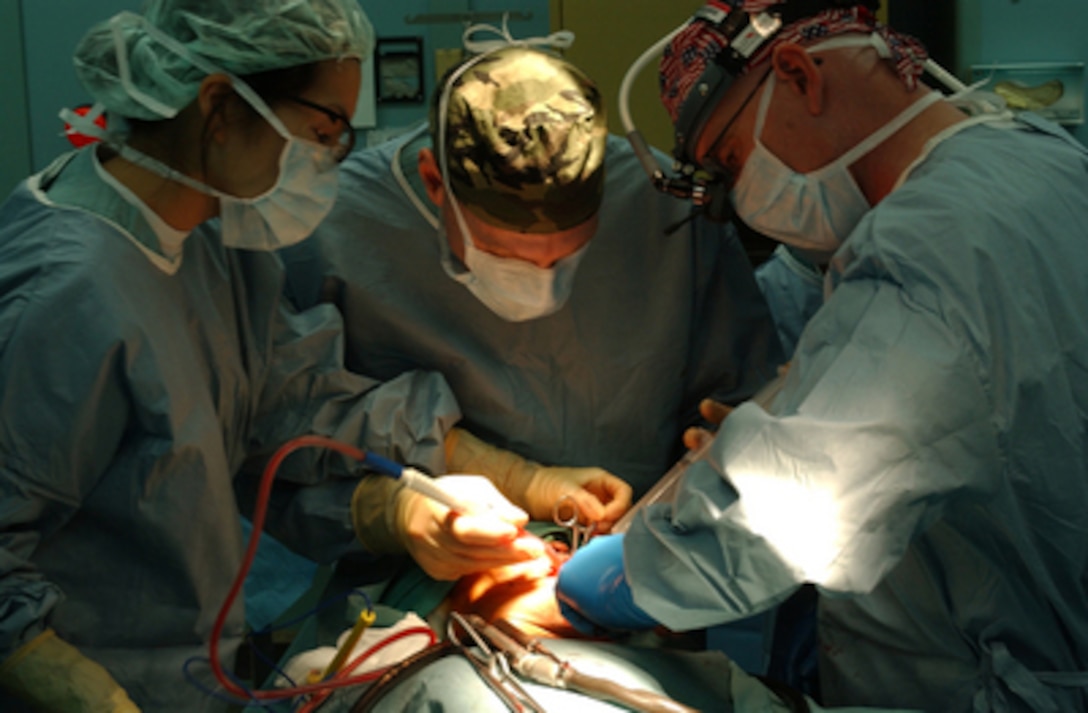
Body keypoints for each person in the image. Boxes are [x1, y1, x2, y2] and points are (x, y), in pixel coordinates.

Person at [0, 2, 597, 710]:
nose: (334, 159)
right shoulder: (64, 294)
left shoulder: (210, 233)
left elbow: (294, 399)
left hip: (193, 674)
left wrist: (478, 490)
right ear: (220, 104)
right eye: (323, 132)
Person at [555, 1, 1088, 711]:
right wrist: (792, 410)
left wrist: (624, 572)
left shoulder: (930, 244)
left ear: (800, 74)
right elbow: (975, 403)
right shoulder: (1038, 153)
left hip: (991, 676)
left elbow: (790, 514)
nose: (742, 197)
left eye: (732, 162)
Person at [280, 44, 785, 586]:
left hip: (641, 577)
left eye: (571, 254)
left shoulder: (663, 209)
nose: (543, 281)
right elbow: (279, 439)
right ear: (434, 182)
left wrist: (683, 512)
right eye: (505, 253)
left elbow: (737, 406)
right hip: (408, 600)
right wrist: (392, 516)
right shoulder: (331, 229)